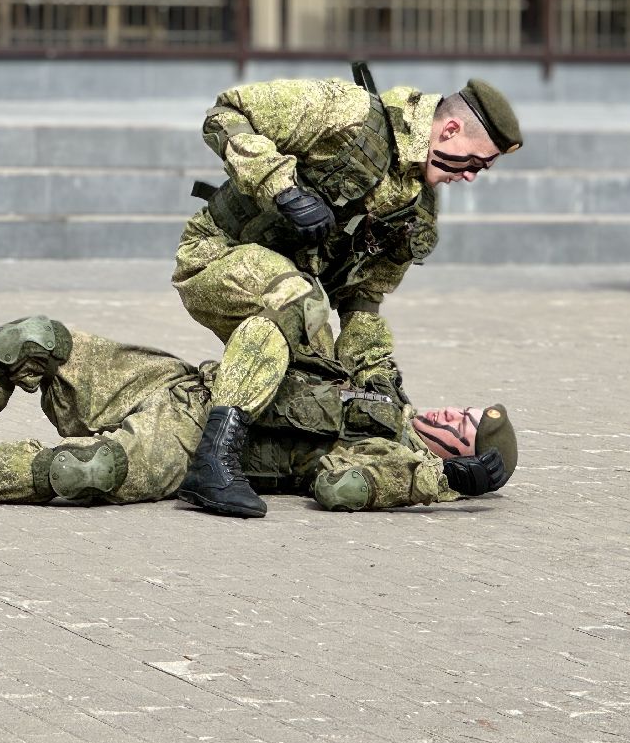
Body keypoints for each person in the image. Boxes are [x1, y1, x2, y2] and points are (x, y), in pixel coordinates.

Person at [172, 64, 522, 518]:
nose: (472, 176)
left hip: (291, 291)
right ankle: (213, 463)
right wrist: (280, 187)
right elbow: (226, 113)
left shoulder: (416, 210)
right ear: (450, 128)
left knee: (324, 382)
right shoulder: (350, 115)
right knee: (299, 302)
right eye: (475, 162)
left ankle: (223, 443)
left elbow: (362, 302)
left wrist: (378, 385)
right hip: (215, 255)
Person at [0, 316, 519, 515]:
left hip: (178, 442)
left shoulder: (388, 457)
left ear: (452, 451)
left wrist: (442, 484)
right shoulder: (379, 382)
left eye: (466, 430)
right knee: (32, 339)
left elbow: (339, 488)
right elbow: (360, 308)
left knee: (92, 470)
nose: (454, 415)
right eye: (464, 407)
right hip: (171, 380)